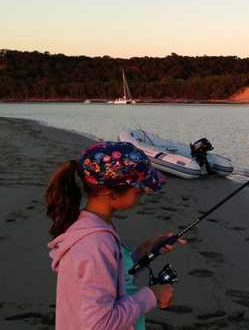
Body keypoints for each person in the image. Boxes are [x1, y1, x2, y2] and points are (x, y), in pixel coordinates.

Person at [46, 141, 186, 330]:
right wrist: (153, 295)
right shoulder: (95, 243)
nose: (143, 194)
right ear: (111, 194)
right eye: (139, 190)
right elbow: (100, 324)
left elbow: (109, 273)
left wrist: (144, 250)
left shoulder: (91, 223)